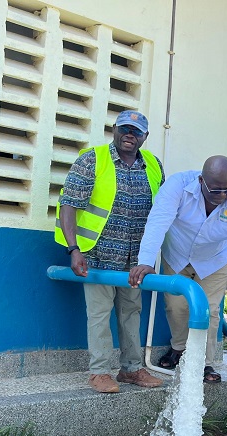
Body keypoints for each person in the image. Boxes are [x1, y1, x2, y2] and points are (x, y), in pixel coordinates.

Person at [56, 111, 165, 393]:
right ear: (114, 129)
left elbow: (163, 212)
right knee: (99, 314)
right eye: (125, 128)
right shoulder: (93, 158)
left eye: (137, 131)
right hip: (98, 256)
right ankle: (100, 372)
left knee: (132, 312)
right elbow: (68, 204)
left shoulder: (153, 165)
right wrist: (73, 249)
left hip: (135, 261)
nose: (130, 134)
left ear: (145, 136)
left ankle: (132, 369)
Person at [129, 156, 227, 383]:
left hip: (215, 262)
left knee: (209, 311)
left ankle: (203, 362)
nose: (222, 196)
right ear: (201, 180)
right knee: (176, 306)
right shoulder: (178, 186)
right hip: (177, 256)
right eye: (216, 190)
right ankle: (179, 349)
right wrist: (146, 261)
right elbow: (157, 223)